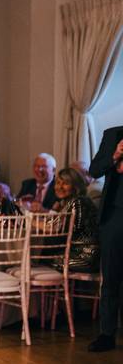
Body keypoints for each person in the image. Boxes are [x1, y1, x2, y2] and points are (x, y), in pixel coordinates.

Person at [88, 126, 123, 352]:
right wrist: (115, 157)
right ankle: (107, 333)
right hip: (114, 216)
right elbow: (94, 170)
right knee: (110, 277)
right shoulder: (112, 135)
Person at [51, 167, 100, 273]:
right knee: (45, 255)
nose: (60, 187)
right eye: (58, 183)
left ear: (75, 185)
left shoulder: (78, 202)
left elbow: (53, 227)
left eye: (65, 183)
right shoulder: (74, 201)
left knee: (43, 258)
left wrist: (29, 220)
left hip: (86, 256)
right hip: (79, 253)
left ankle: (56, 289)